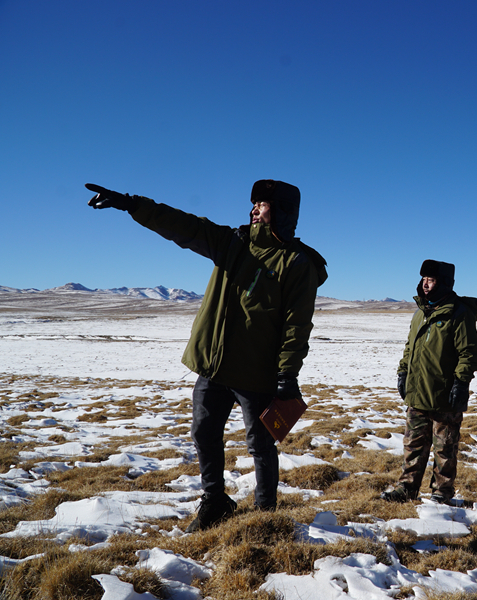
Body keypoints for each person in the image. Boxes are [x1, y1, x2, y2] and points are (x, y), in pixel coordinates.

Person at [86, 180, 327, 532]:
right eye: (254, 203)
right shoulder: (232, 243)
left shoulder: (297, 262)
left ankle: (265, 514)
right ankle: (214, 501)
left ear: (283, 211)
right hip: (214, 367)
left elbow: (297, 325)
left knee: (260, 444)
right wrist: (133, 205)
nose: (254, 209)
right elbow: (185, 226)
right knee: (203, 432)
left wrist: (287, 374)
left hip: (256, 372)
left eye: (262, 204)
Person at [381, 260, 477, 505]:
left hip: (444, 395)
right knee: (413, 444)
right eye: (424, 279)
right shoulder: (420, 312)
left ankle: (442, 492)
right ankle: (407, 488)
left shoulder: (458, 313)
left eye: (432, 280)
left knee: (444, 447)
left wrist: (460, 383)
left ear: (445, 283)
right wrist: (403, 373)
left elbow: (469, 353)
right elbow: (410, 348)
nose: (426, 284)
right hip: (417, 392)